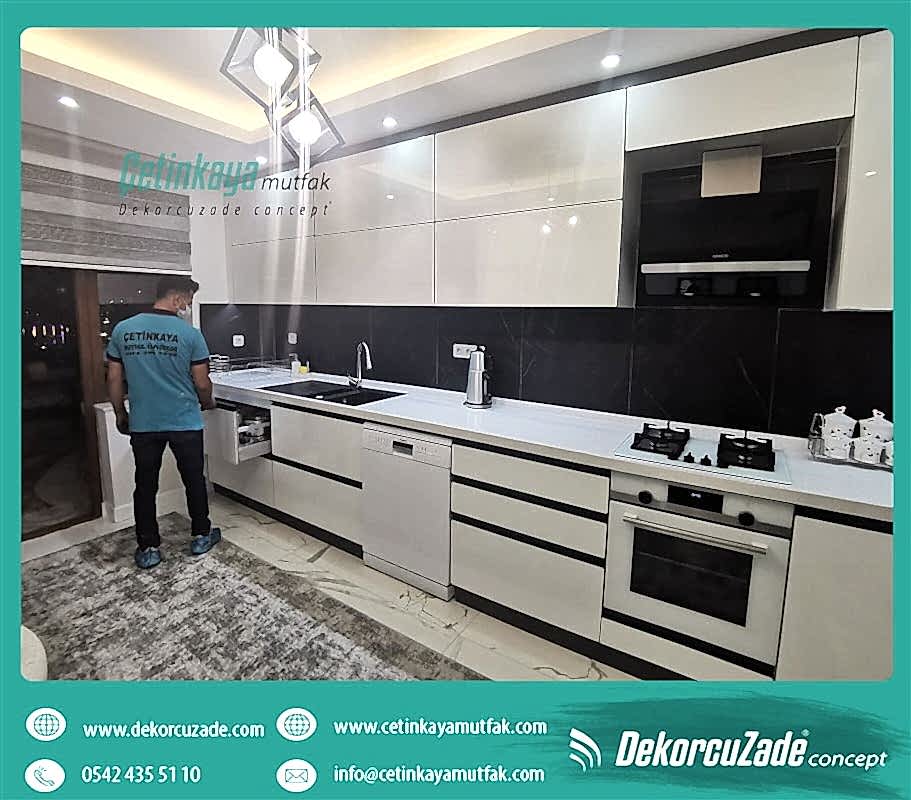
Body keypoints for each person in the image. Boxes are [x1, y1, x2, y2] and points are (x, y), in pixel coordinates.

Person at [105, 276, 220, 569]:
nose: (187, 307)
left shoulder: (123, 329)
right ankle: (201, 535)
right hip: (185, 421)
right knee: (194, 480)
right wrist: (207, 402)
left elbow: (114, 378)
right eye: (187, 301)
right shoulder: (190, 335)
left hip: (144, 423)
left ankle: (148, 548)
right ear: (176, 298)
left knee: (145, 485)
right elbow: (202, 382)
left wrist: (120, 413)